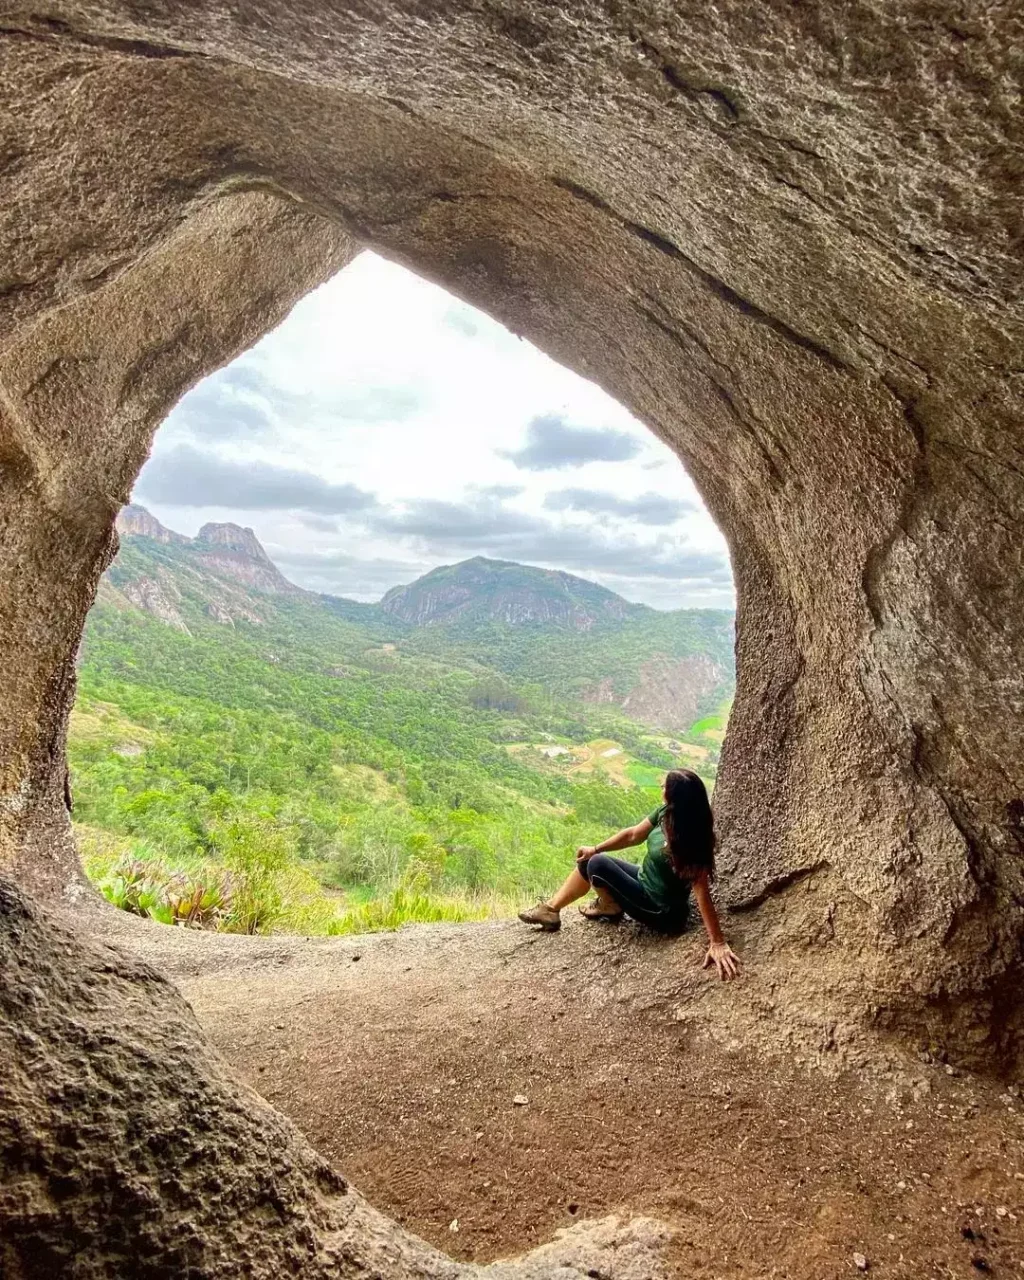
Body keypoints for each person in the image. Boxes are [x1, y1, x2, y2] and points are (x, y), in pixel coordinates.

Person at [518, 768, 741, 980]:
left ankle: (610, 906)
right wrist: (596, 848)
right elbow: (633, 835)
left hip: (661, 909)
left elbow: (701, 890)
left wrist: (718, 942)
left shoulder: (691, 839)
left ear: (675, 797)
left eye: (664, 786)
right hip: (645, 880)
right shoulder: (667, 812)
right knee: (591, 859)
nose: (660, 787)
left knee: (597, 864)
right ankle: (551, 910)